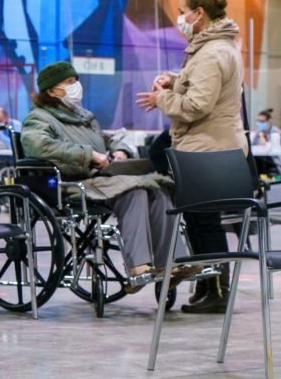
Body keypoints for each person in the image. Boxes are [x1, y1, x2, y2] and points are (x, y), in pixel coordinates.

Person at [25, 61, 195, 291]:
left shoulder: (84, 117)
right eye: (68, 82)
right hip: (72, 182)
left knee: (157, 188)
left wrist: (120, 150)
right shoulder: (39, 118)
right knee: (133, 191)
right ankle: (139, 267)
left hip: (102, 178)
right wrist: (88, 155)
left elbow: (107, 139)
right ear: (51, 90)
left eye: (76, 81)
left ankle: (170, 263)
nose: (76, 86)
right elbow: (38, 146)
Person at [137, 0, 245, 313]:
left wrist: (162, 99)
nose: (179, 17)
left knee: (203, 221)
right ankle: (207, 285)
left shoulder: (212, 53)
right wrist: (174, 80)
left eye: (183, 10)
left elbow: (198, 104)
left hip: (207, 148)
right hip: (207, 145)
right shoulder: (213, 47)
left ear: (198, 13)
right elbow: (198, 84)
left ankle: (215, 290)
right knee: (200, 220)